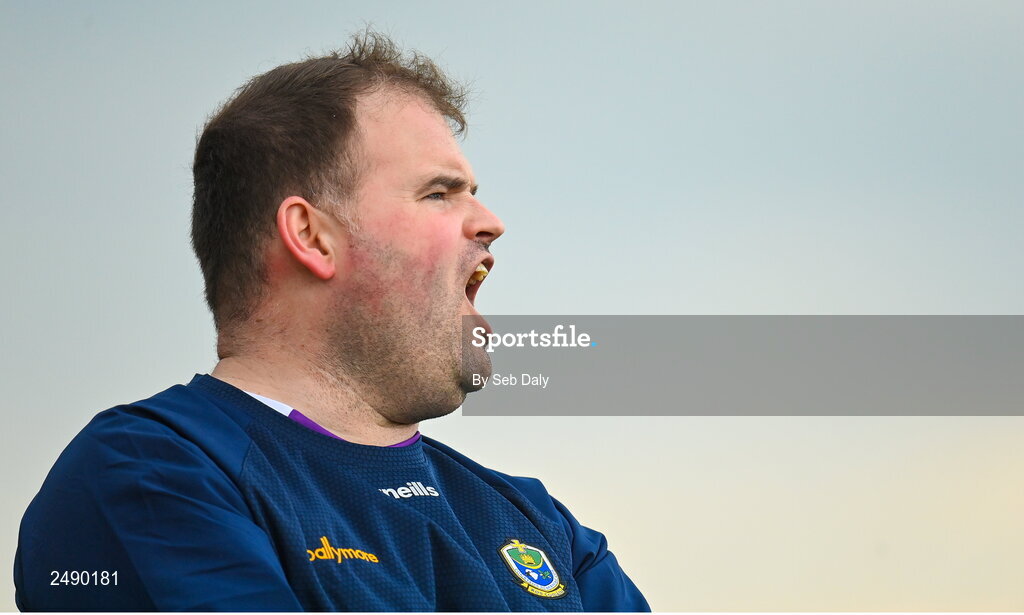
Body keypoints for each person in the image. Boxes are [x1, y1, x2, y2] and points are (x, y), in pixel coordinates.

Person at [14, 32, 649, 612]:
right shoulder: (152, 473)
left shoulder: (540, 525)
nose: (489, 222)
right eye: (439, 192)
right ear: (311, 237)